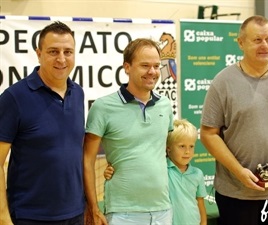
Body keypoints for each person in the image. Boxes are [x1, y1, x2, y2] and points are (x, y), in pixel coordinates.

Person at [200, 15, 268, 225]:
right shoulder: (223, 82)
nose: (265, 45)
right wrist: (238, 171)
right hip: (237, 193)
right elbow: (209, 134)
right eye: (257, 40)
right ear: (241, 43)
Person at [0, 21, 85, 224]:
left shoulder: (78, 93)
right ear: (39, 54)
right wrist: (3, 218)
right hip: (30, 216)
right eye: (53, 51)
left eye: (68, 51)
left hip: (75, 214)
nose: (61, 59)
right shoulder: (14, 97)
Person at [83, 38, 174, 225]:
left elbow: (162, 152)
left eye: (157, 66)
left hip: (163, 210)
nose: (152, 72)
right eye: (145, 65)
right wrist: (92, 207)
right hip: (122, 213)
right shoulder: (103, 107)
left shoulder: (165, 105)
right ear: (127, 67)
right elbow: (87, 159)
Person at [104, 119, 208, 225]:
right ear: (168, 148)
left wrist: (203, 223)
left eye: (191, 146)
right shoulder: (162, 169)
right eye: (182, 146)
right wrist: (110, 172)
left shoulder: (197, 173)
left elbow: (200, 202)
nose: (187, 151)